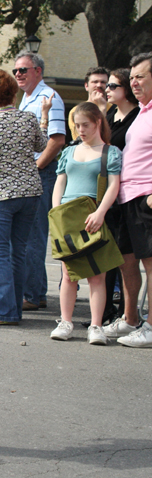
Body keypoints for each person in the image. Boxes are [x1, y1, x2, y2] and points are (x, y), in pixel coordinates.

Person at [0, 69, 50, 325]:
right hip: (30, 192)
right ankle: (11, 307)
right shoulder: (28, 118)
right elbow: (41, 145)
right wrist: (43, 119)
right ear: (13, 92)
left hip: (0, 195)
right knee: (18, 252)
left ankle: (3, 310)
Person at [49, 102, 122, 344]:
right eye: (77, 125)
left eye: (85, 125)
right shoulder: (69, 152)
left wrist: (101, 212)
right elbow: (60, 182)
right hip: (67, 217)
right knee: (68, 275)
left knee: (96, 276)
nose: (80, 130)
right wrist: (56, 210)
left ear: (98, 122)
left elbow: (114, 184)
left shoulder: (110, 152)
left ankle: (96, 326)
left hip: (93, 215)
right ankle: (65, 321)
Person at [14, 52, 66, 311]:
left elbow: (56, 140)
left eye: (24, 69)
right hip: (28, 174)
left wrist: (35, 168)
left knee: (33, 236)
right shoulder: (25, 99)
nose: (19, 74)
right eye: (16, 71)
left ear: (38, 71)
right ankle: (33, 290)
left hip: (40, 173)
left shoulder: (49, 98)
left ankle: (33, 294)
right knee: (26, 236)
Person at [110, 52, 152, 348]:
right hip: (127, 197)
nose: (134, 82)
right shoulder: (143, 111)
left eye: (141, 76)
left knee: (151, 265)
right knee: (127, 261)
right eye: (132, 77)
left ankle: (150, 326)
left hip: (145, 198)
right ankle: (131, 319)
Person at [99, 68, 141, 329]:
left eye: (113, 86)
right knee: (109, 254)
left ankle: (129, 314)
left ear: (125, 89)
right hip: (109, 192)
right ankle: (106, 312)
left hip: (131, 192)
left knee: (128, 258)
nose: (107, 90)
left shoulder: (139, 117)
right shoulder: (110, 114)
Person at [68, 67, 110, 142]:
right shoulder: (76, 111)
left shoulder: (115, 108)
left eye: (103, 82)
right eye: (95, 82)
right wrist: (102, 110)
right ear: (86, 86)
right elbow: (81, 141)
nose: (99, 85)